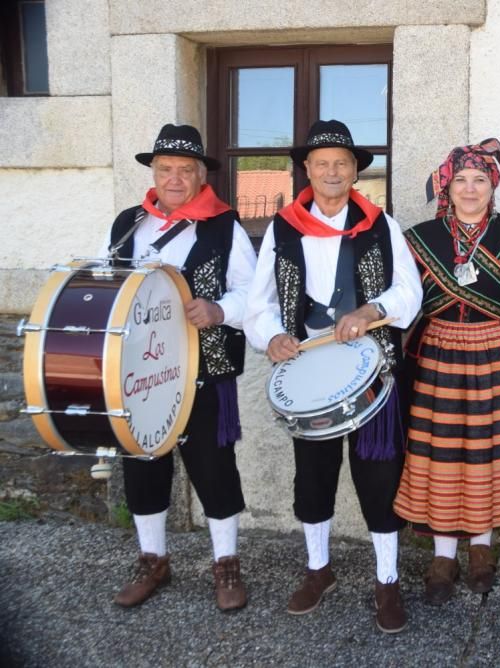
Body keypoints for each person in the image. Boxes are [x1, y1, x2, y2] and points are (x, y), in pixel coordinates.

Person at [244, 119, 421, 634]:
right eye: (322, 163)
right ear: (307, 170)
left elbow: (410, 294)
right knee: (314, 477)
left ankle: (387, 579)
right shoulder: (282, 226)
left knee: (379, 476)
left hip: (374, 372)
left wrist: (368, 312)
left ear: (355, 172)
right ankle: (318, 569)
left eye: (341, 163)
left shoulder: (382, 224)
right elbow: (261, 303)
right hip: (308, 373)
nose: (331, 171)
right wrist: (273, 336)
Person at [106, 124, 256, 611]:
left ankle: (226, 564)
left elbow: (251, 294)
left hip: (203, 368)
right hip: (136, 372)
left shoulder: (223, 225)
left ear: (199, 176)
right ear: (154, 172)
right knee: (143, 464)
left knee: (214, 467)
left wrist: (218, 311)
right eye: (165, 169)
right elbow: (111, 283)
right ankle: (153, 560)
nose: (174, 178)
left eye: (184, 170)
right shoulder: (129, 222)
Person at [392, 140, 500, 605]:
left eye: (480, 179)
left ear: (492, 185)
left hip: (496, 355)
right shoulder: (418, 238)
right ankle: (443, 554)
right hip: (435, 356)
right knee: (439, 455)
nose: (470, 188)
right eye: (460, 179)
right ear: (448, 185)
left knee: (489, 454)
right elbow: (406, 304)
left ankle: (481, 548)